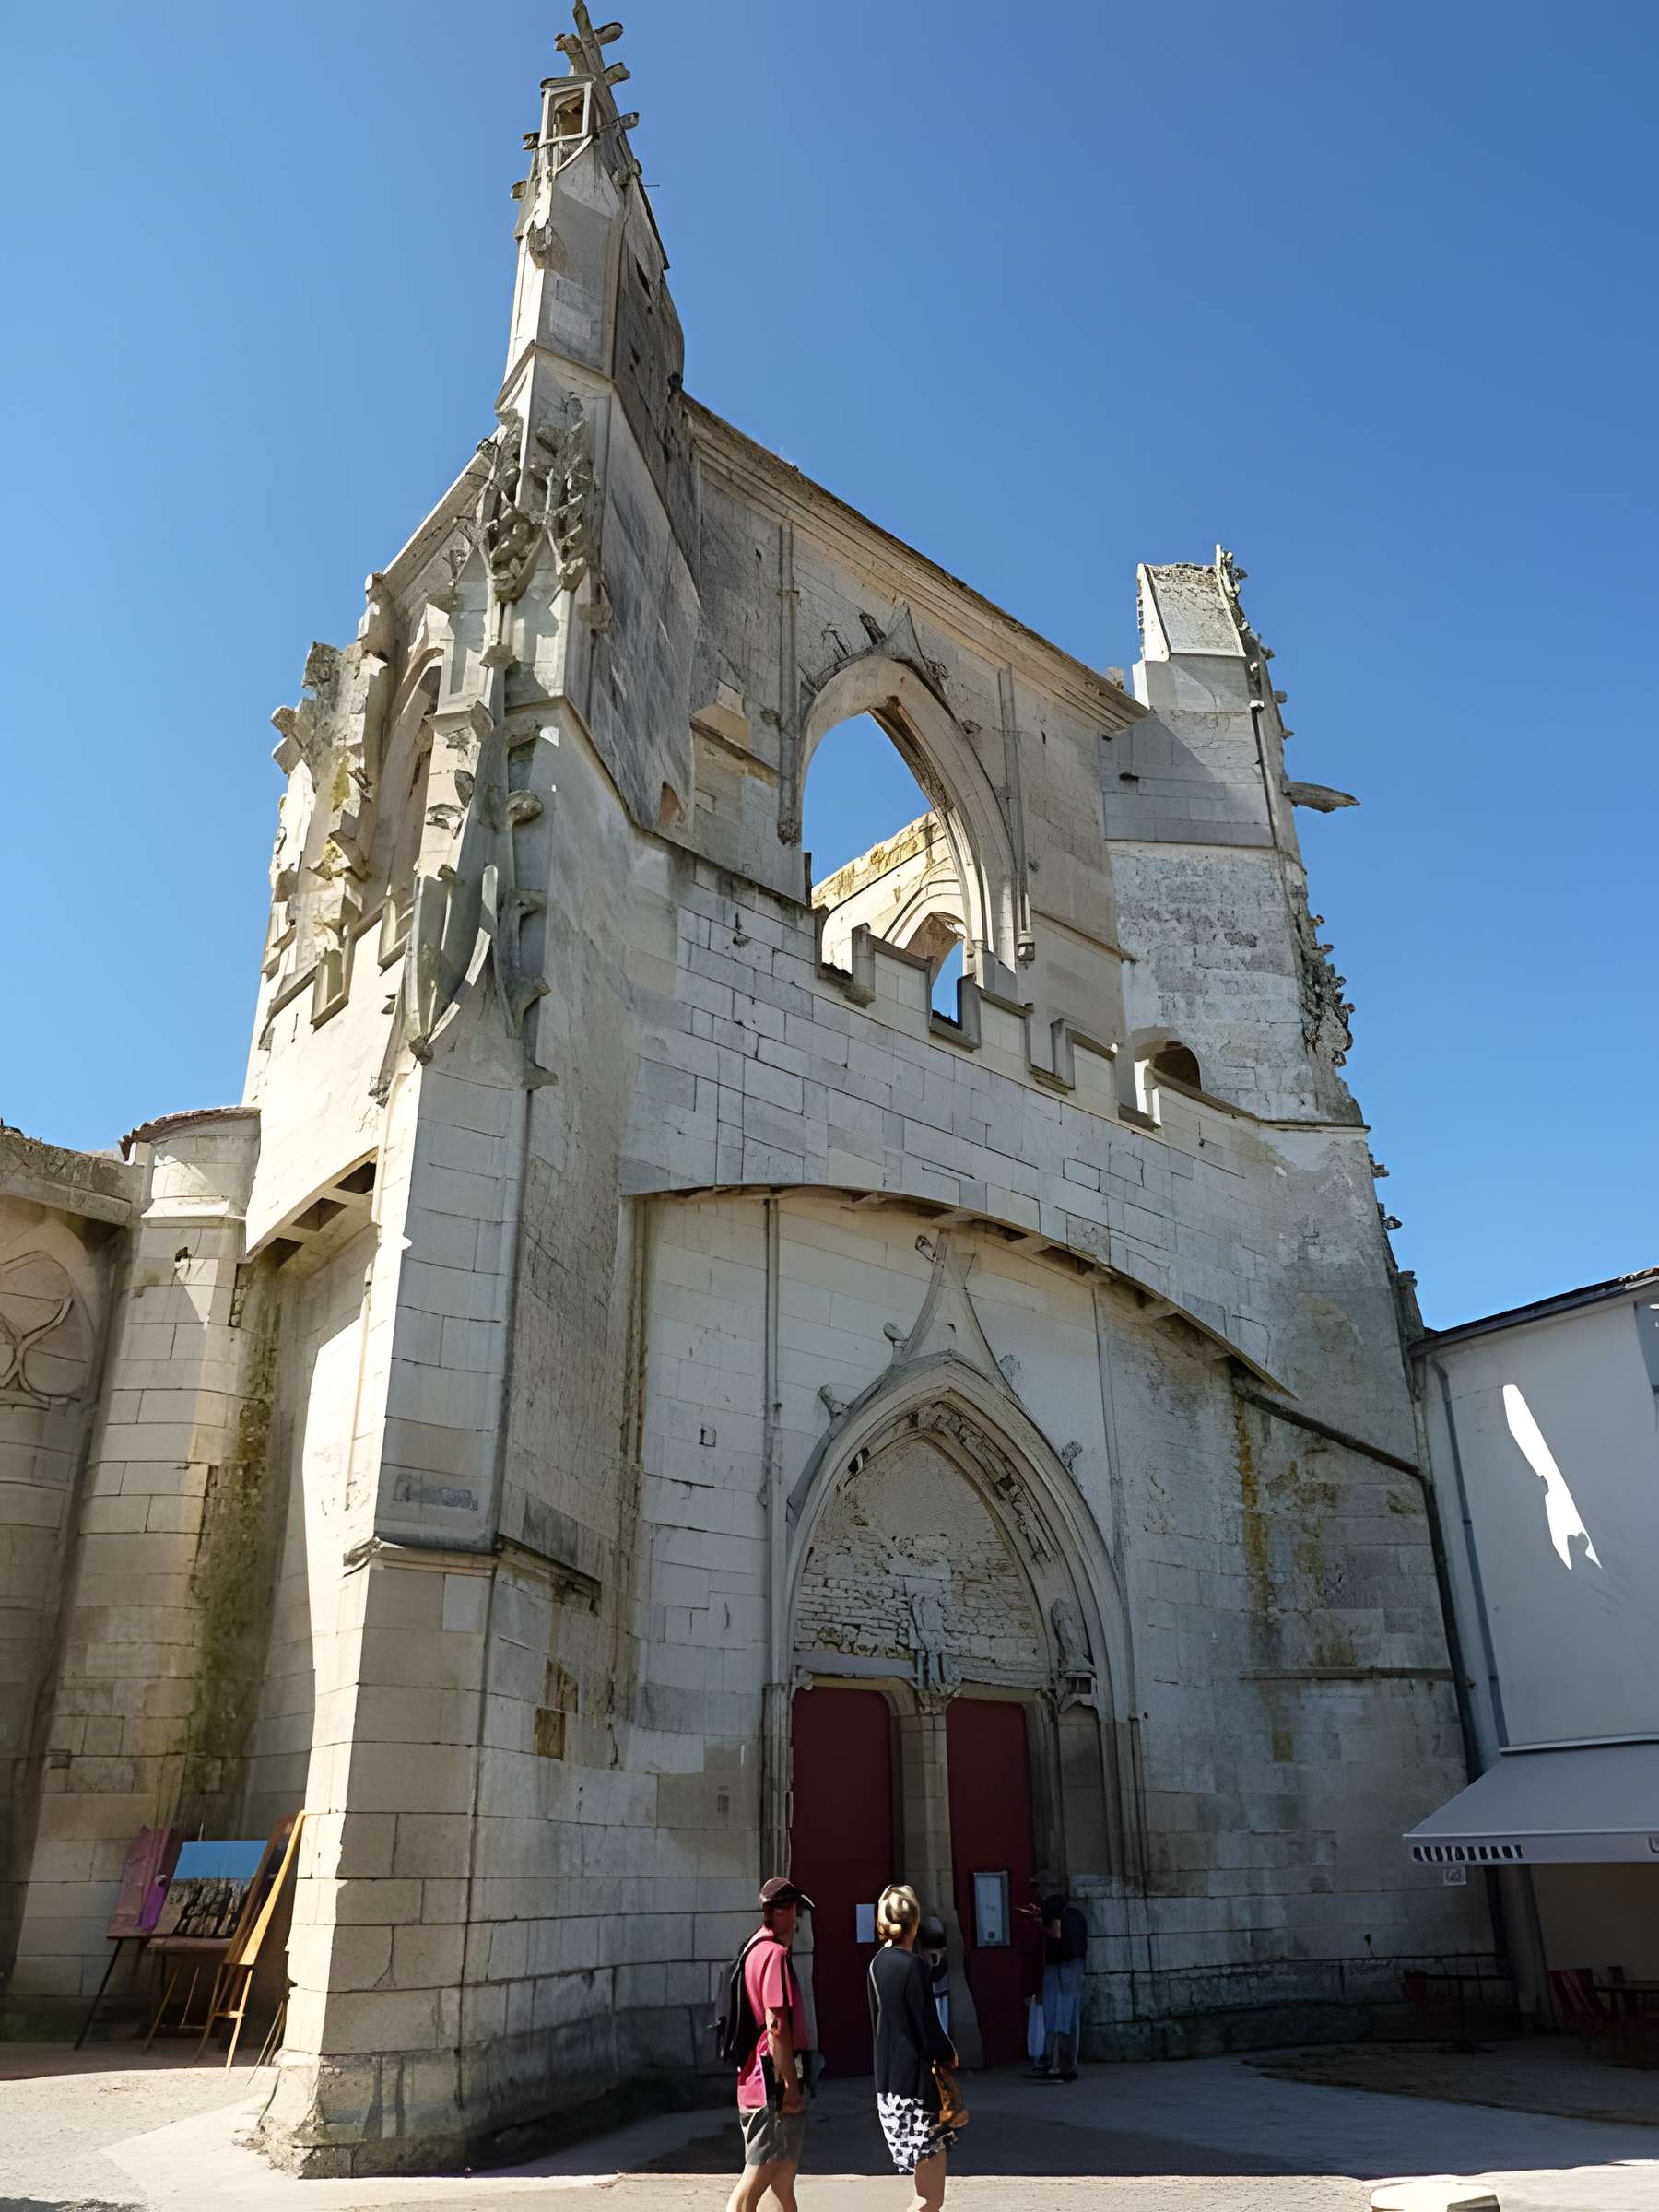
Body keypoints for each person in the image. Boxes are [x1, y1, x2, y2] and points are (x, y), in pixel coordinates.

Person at [725, 1876, 815, 2212]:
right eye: (796, 1912)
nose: (797, 1922)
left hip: (755, 2080)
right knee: (750, 2189)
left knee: (782, 2184)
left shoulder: (752, 1949)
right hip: (771, 2087)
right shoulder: (774, 1955)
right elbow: (776, 2026)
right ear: (785, 1911)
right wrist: (790, 2086)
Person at [868, 1883, 959, 2212]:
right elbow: (928, 2026)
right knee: (930, 2198)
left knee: (923, 2193)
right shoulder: (914, 1965)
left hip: (889, 2089)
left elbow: (879, 2022)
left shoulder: (877, 1964)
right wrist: (948, 2054)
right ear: (914, 1922)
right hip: (917, 2090)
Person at [1022, 1886, 1088, 2080]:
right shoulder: (1076, 1916)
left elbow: (1056, 1932)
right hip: (1074, 1967)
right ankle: (1069, 2064)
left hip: (1059, 1970)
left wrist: (1040, 1928)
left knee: (1057, 2018)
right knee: (1070, 2018)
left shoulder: (1055, 1911)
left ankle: (1056, 2065)